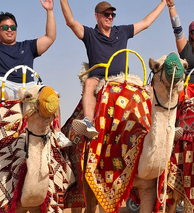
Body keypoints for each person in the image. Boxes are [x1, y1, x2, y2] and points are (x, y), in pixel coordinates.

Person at [0, 0, 72, 148]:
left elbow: (50, 37)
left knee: (50, 95)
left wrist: (49, 11)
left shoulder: (27, 46)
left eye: (13, 27)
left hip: (28, 86)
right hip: (3, 85)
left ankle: (58, 132)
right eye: (5, 27)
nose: (9, 30)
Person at [60, 0, 167, 138]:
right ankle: (88, 121)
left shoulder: (121, 31)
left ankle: (159, 125)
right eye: (106, 14)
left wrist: (164, 3)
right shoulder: (90, 34)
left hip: (124, 78)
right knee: (89, 83)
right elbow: (70, 22)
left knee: (150, 90)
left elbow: (145, 23)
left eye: (112, 14)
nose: (110, 17)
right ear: (96, 16)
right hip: (100, 78)